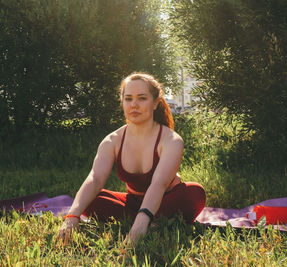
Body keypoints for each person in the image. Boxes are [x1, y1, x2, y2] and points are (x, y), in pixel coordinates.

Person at [57, 72, 206, 244]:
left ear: (156, 103)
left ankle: (146, 222)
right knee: (90, 199)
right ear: (122, 101)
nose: (134, 105)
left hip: (167, 200)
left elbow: (159, 184)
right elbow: (95, 179)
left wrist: (139, 227)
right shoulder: (112, 140)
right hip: (132, 203)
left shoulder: (171, 140)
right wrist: (72, 216)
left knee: (195, 192)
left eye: (142, 98)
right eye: (128, 99)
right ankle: (153, 222)